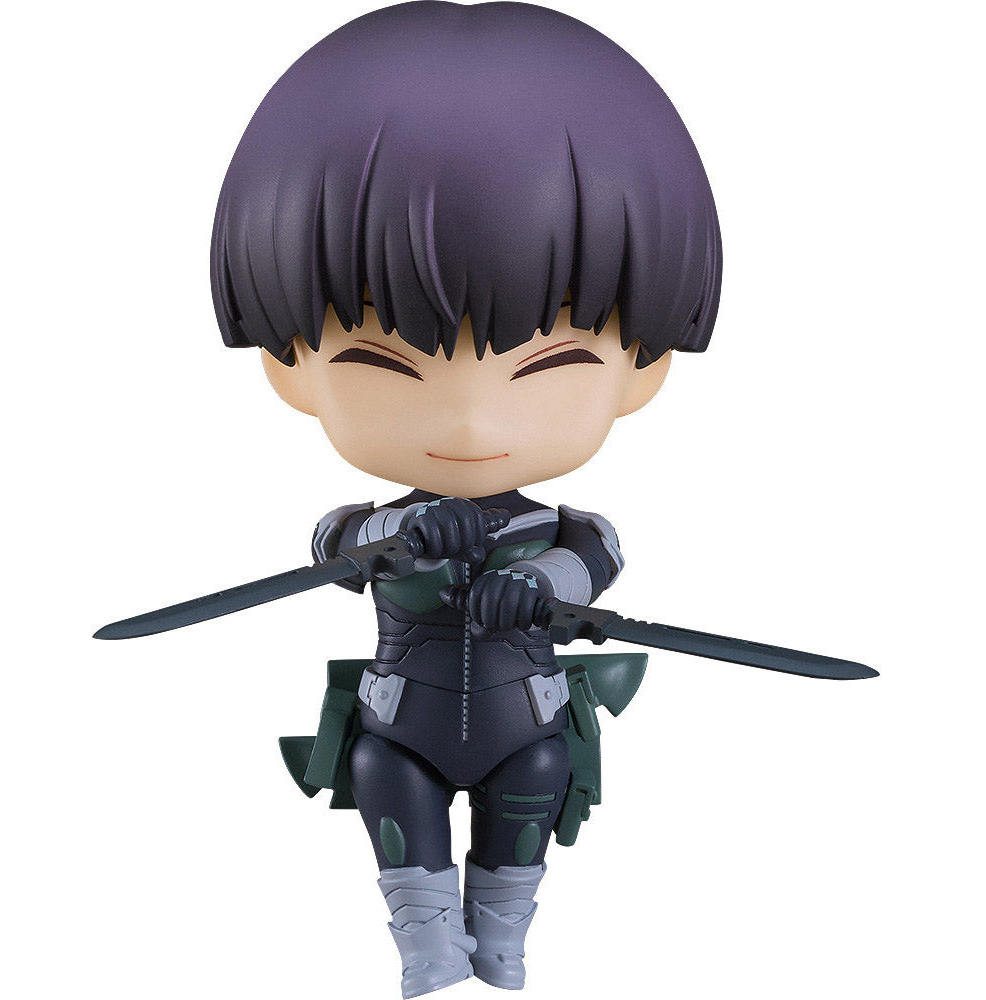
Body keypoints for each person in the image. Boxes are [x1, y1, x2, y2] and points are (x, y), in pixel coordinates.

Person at [210, 3, 721, 994]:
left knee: (530, 802)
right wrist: (402, 531)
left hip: (524, 728)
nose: (475, 419)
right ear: (288, 365)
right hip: (397, 730)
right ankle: (428, 952)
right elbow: (335, 546)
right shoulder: (369, 529)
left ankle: (502, 941)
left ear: (645, 367)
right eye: (382, 359)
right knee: (385, 792)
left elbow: (596, 556)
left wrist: (542, 584)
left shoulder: (566, 529)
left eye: (553, 362)